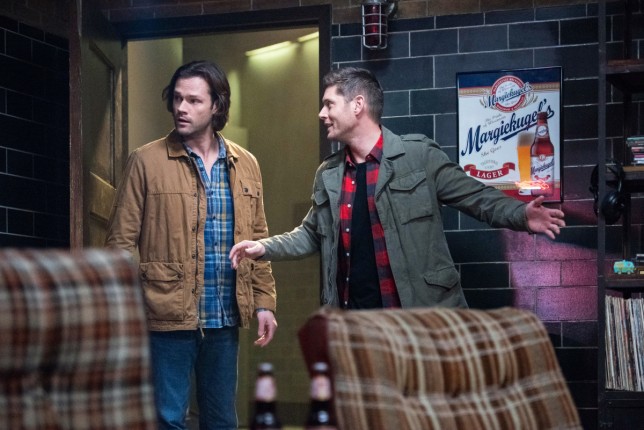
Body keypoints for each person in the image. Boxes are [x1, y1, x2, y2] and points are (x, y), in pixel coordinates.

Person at [230, 66, 565, 310]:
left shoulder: (418, 156)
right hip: (355, 326)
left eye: (329, 104)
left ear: (357, 105)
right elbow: (310, 234)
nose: (322, 113)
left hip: (420, 321)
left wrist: (521, 214)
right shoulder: (329, 174)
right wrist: (263, 247)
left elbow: (476, 197)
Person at [105, 60, 277, 430]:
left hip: (224, 315)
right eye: (177, 98)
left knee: (221, 420)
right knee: (168, 419)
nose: (181, 108)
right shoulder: (146, 161)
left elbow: (258, 240)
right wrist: (127, 310)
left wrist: (264, 302)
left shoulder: (245, 164)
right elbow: (120, 244)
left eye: (194, 101)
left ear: (217, 106)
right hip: (165, 315)